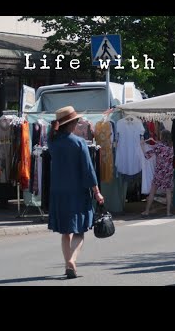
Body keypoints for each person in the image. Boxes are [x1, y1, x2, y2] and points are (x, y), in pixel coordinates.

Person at [47, 106, 104, 279]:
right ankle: (71, 260)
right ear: (71, 123)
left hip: (58, 191)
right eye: (76, 121)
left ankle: (68, 263)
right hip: (77, 191)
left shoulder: (52, 142)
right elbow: (88, 170)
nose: (78, 123)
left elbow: (52, 134)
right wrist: (97, 191)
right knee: (79, 231)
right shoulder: (79, 143)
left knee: (66, 231)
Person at [141, 130, 174, 217]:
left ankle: (147, 211)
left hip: (159, 171)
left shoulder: (159, 146)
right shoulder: (171, 147)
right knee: (168, 192)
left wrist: (142, 145)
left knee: (152, 191)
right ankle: (168, 212)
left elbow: (147, 155)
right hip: (169, 171)